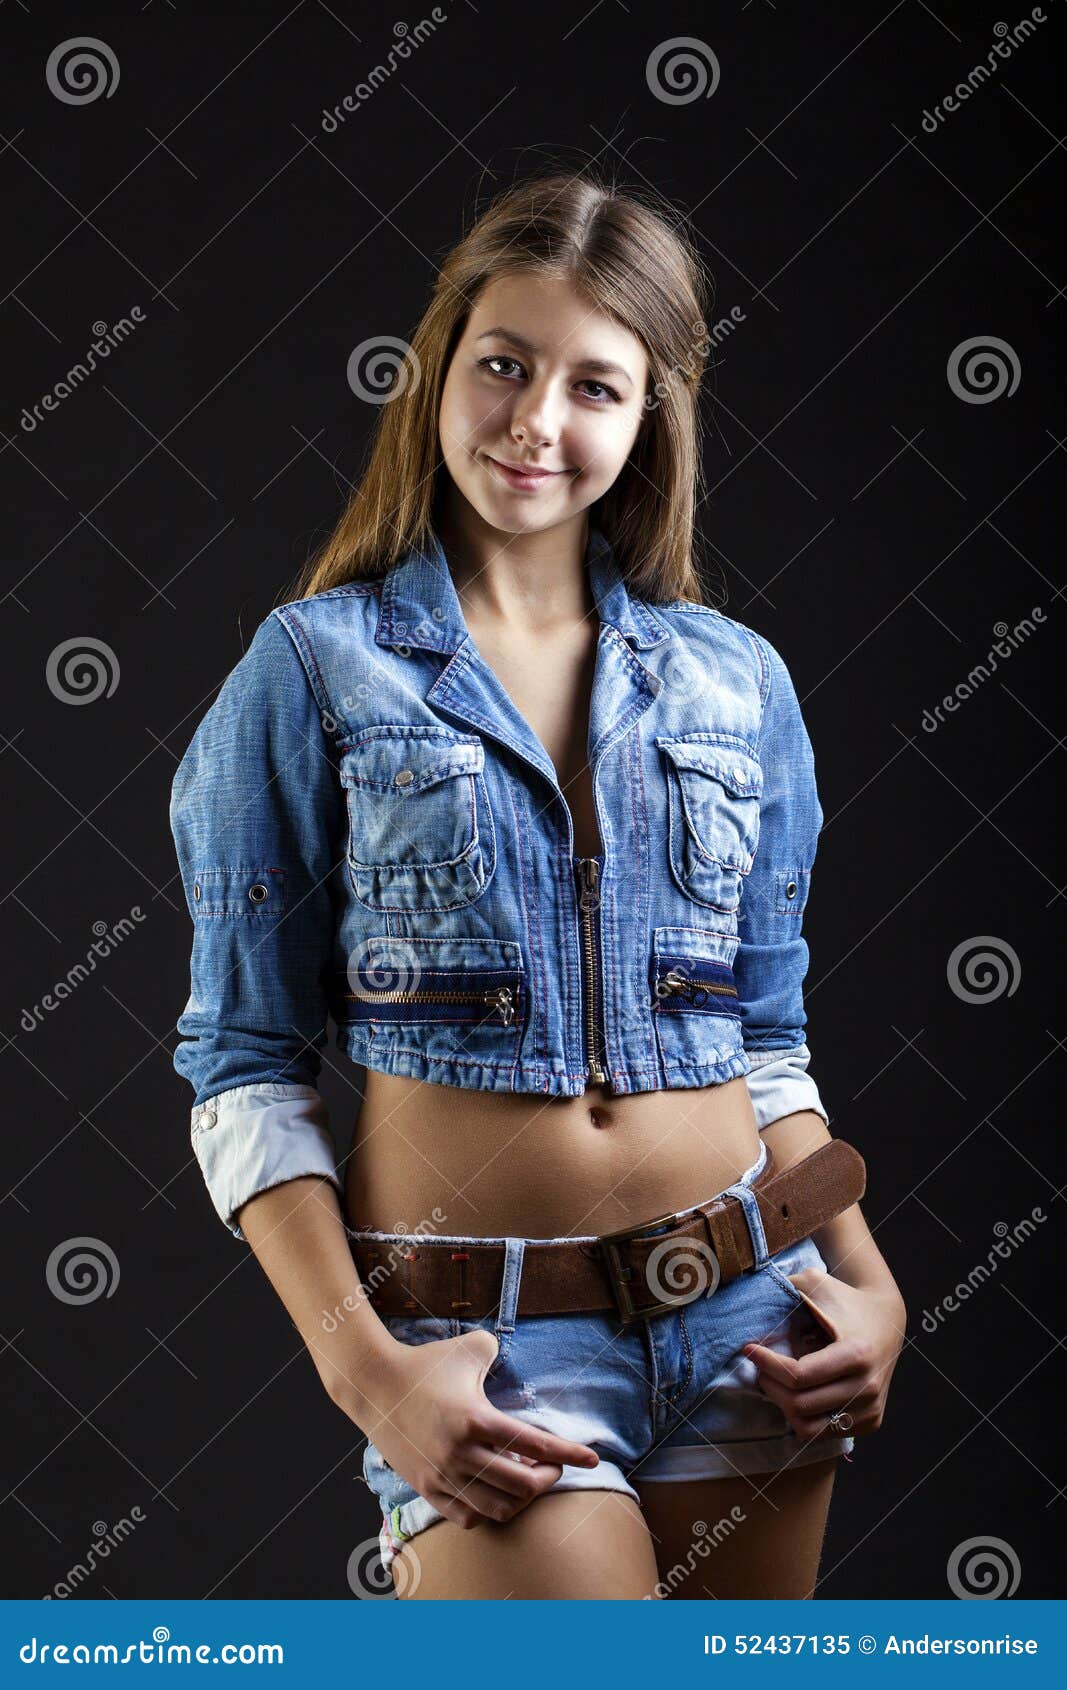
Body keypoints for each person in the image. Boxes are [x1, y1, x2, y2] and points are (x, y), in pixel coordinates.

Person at [170, 170, 906, 1601]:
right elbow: (244, 1069)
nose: (536, 421)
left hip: (756, 1321)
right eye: (504, 364)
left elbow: (765, 1040)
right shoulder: (315, 668)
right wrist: (365, 1371)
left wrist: (865, 1282)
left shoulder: (737, 681)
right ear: (442, 367)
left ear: (649, 420)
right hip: (496, 1352)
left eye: (595, 385)